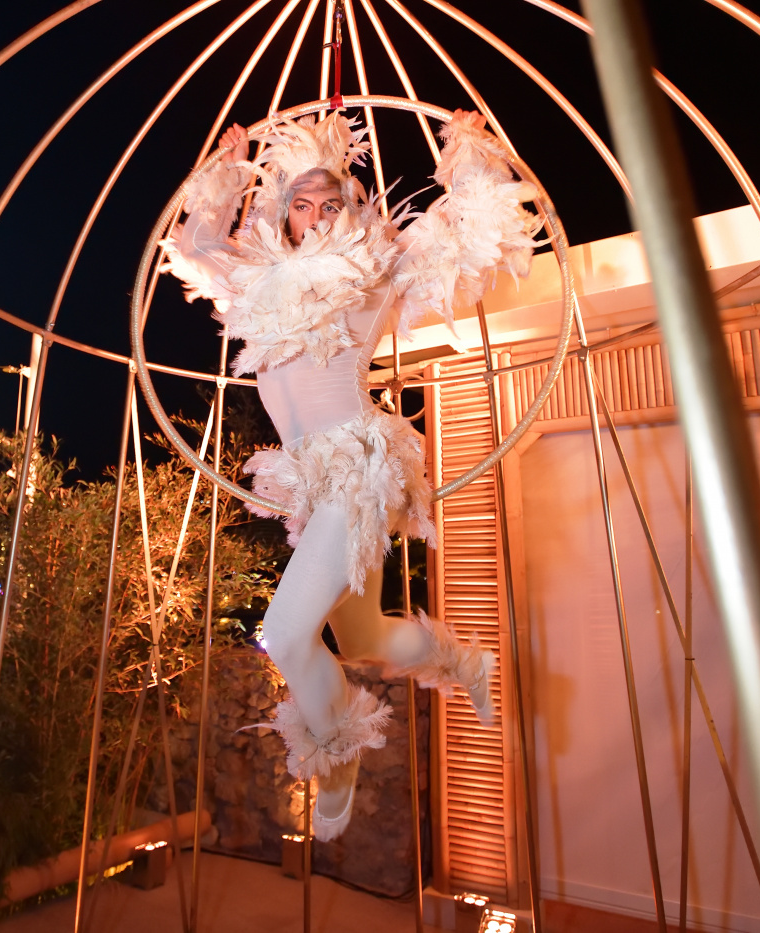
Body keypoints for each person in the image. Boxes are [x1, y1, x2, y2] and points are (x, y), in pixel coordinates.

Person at [162, 109, 543, 840]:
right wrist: (223, 172)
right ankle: (465, 660)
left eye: (329, 203)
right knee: (362, 631)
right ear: (279, 210)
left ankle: (337, 752)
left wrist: (465, 146)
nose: (313, 217)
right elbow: (197, 243)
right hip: (311, 482)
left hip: (357, 468)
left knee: (283, 632)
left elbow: (469, 229)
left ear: (351, 205)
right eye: (299, 204)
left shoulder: (374, 267)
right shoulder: (253, 280)